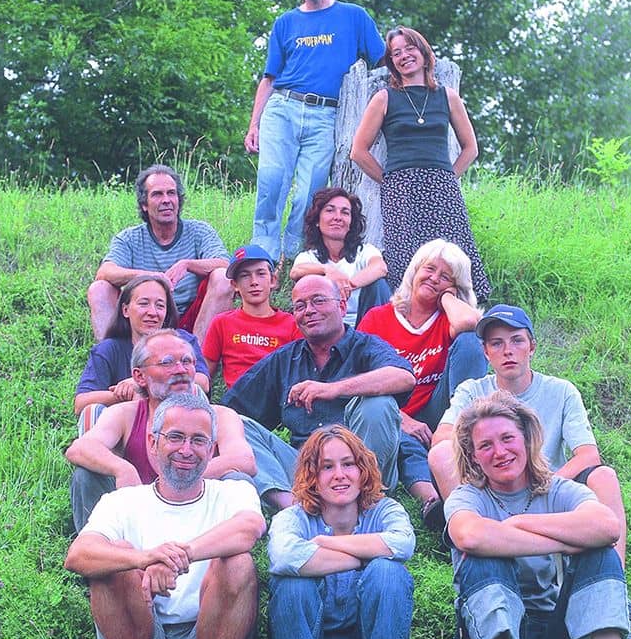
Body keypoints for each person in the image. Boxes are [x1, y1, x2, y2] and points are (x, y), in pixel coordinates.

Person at [64, 392, 266, 639]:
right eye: (175, 437)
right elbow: (78, 555)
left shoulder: (232, 493)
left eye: (199, 440)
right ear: (152, 442)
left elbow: (249, 529)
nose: (187, 450)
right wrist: (142, 560)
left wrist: (177, 555)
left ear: (211, 448)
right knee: (114, 559)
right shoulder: (123, 501)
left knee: (238, 563)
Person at [444, 391, 629, 639]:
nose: (499, 452)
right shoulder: (468, 497)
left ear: (527, 440)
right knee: (483, 557)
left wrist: (518, 524)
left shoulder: (556, 490)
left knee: (601, 553)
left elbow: (607, 527)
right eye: (485, 446)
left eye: (507, 438)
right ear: (474, 456)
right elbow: (469, 535)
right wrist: (563, 539)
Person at [428, 304, 629, 571]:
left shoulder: (561, 391)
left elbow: (589, 455)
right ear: (486, 353)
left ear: (531, 346)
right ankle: (470, 537)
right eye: (496, 344)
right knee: (441, 453)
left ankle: (614, 577)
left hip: (551, 486)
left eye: (517, 341)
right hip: (492, 489)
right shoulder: (473, 390)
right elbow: (442, 437)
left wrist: (540, 485)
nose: (508, 351)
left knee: (604, 476)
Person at [267, 426, 414, 639]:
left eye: (348, 464)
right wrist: (365, 554)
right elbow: (284, 555)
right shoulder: (293, 519)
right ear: (312, 476)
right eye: (326, 466)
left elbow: (402, 543)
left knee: (389, 574)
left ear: (363, 471)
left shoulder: (385, 511)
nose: (340, 475)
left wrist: (325, 546)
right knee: (291, 584)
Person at [223, 275, 415, 508]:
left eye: (318, 301)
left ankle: (363, 502)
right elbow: (227, 411)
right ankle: (294, 507)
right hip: (304, 471)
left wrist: (333, 389)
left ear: (342, 306)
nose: (309, 311)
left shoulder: (366, 347)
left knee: (378, 405)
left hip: (360, 469)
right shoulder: (285, 360)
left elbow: (403, 376)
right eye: (300, 306)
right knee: (236, 424)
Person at [244, 0, 385, 261]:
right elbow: (268, 78)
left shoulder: (354, 16)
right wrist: (253, 125)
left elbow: (383, 62)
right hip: (283, 108)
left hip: (327, 114)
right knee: (272, 181)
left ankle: (295, 255)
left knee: (311, 190)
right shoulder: (285, 22)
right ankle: (263, 256)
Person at [68, 330, 260, 533]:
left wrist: (173, 484)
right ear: (139, 376)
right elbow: (79, 448)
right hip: (139, 526)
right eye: (167, 363)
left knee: (238, 480)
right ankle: (100, 552)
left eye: (187, 361)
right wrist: (123, 469)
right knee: (85, 476)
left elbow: (244, 459)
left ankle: (224, 558)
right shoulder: (125, 414)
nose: (180, 370)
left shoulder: (220, 415)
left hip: (201, 527)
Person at [350, 26, 490, 298]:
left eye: (409, 48)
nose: (404, 56)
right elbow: (358, 151)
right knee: (406, 262)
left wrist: (449, 177)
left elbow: (470, 147)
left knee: (452, 256)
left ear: (424, 53)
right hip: (400, 189)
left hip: (442, 189)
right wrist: (390, 181)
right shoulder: (384, 98)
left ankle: (456, 318)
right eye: (396, 53)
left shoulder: (447, 96)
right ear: (392, 63)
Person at [358, 240, 486, 525]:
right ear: (414, 270)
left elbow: (470, 325)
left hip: (440, 410)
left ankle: (470, 433)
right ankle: (432, 500)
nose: (434, 279)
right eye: (429, 269)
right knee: (404, 441)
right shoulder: (378, 318)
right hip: (392, 411)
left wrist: (449, 299)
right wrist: (405, 420)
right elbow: (359, 378)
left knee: (469, 342)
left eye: (446, 278)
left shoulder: (448, 318)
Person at [87, 164, 232, 343]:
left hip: (190, 320)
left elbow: (226, 265)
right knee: (99, 289)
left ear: (179, 200)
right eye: (157, 194)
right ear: (144, 205)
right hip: (144, 320)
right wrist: (148, 276)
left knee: (223, 277)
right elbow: (104, 272)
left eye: (171, 193)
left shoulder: (199, 231)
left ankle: (198, 361)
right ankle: (115, 360)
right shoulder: (129, 238)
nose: (166, 200)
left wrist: (187, 265)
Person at [75, 274, 209, 425]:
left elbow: (202, 382)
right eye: (144, 304)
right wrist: (128, 392)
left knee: (194, 390)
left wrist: (144, 383)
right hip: (125, 427)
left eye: (160, 305)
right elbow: (81, 402)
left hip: (175, 427)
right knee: (91, 411)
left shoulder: (182, 341)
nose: (152, 312)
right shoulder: (109, 349)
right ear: (125, 310)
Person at [203, 245, 301, 390]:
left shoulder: (292, 324)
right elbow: (205, 373)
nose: (254, 282)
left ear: (273, 280)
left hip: (276, 399)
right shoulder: (222, 323)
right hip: (237, 402)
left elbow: (299, 373)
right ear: (234, 285)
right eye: (244, 275)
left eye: (261, 274)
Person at [290, 187, 390, 327]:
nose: (338, 217)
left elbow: (380, 268)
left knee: (378, 284)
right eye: (330, 210)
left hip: (365, 325)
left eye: (345, 212)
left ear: (351, 223)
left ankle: (378, 343)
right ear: (317, 220)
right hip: (327, 326)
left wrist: (346, 286)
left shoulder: (365, 251)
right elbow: (296, 272)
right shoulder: (308, 257)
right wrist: (327, 271)